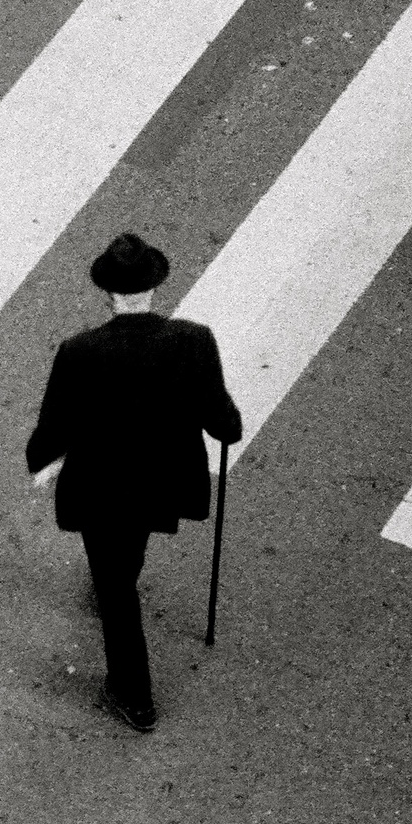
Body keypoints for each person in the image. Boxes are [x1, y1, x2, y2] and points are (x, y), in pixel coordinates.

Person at [25, 232, 242, 733]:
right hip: (159, 482)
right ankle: (118, 584)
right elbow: (223, 424)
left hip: (100, 484)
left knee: (115, 589)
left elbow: (54, 425)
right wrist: (228, 423)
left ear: (110, 294)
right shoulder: (193, 340)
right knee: (128, 553)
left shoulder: (80, 351)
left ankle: (134, 694)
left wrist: (42, 462)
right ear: (154, 289)